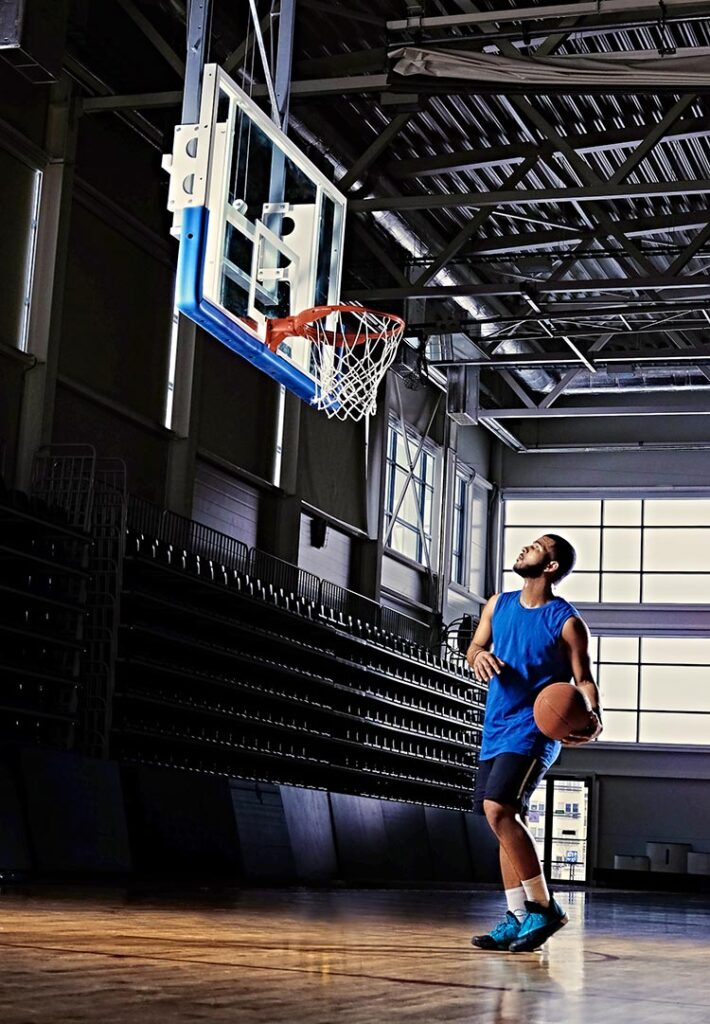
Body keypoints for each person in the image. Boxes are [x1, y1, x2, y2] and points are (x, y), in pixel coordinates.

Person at [466, 533, 602, 954]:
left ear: (551, 566)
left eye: (538, 546)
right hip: (495, 727)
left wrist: (593, 719)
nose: (526, 547)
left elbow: (583, 680)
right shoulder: (498, 604)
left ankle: (545, 907)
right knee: (500, 822)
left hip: (533, 730)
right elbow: (474, 646)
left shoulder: (566, 622)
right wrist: (477, 657)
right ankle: (518, 916)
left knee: (498, 808)